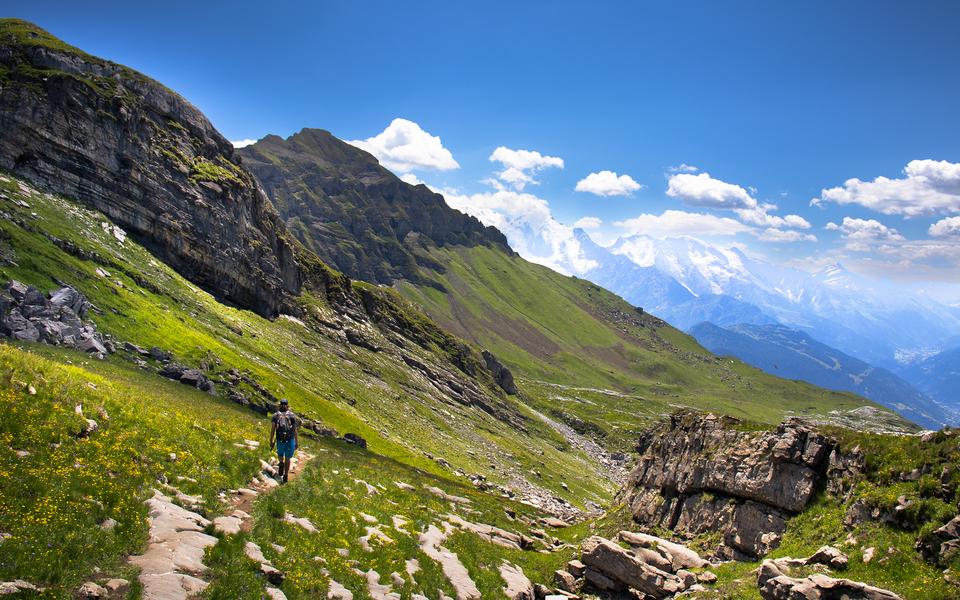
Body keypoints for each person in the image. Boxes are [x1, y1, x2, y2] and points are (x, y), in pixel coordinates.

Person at [269, 398, 299, 483]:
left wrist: (271, 440)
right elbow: (294, 430)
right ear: (287, 405)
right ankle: (286, 475)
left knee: (280, 454)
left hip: (279, 439)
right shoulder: (292, 415)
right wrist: (296, 442)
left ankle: (281, 462)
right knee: (288, 458)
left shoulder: (275, 415)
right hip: (290, 439)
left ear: (279, 405)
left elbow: (273, 429)